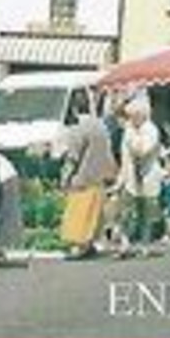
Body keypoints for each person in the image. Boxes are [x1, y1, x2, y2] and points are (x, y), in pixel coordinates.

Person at [59, 105, 118, 259]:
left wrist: (64, 179)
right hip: (99, 176)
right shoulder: (99, 125)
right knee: (94, 214)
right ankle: (89, 244)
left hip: (82, 179)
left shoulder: (77, 129)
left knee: (79, 214)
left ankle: (79, 247)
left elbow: (73, 158)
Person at [115, 98, 164, 257]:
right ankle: (124, 245)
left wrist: (133, 138)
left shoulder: (151, 130)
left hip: (148, 176)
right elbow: (125, 155)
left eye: (135, 115)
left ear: (143, 115)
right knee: (125, 212)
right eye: (130, 116)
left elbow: (142, 150)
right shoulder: (129, 130)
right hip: (129, 178)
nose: (131, 119)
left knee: (147, 214)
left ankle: (145, 246)